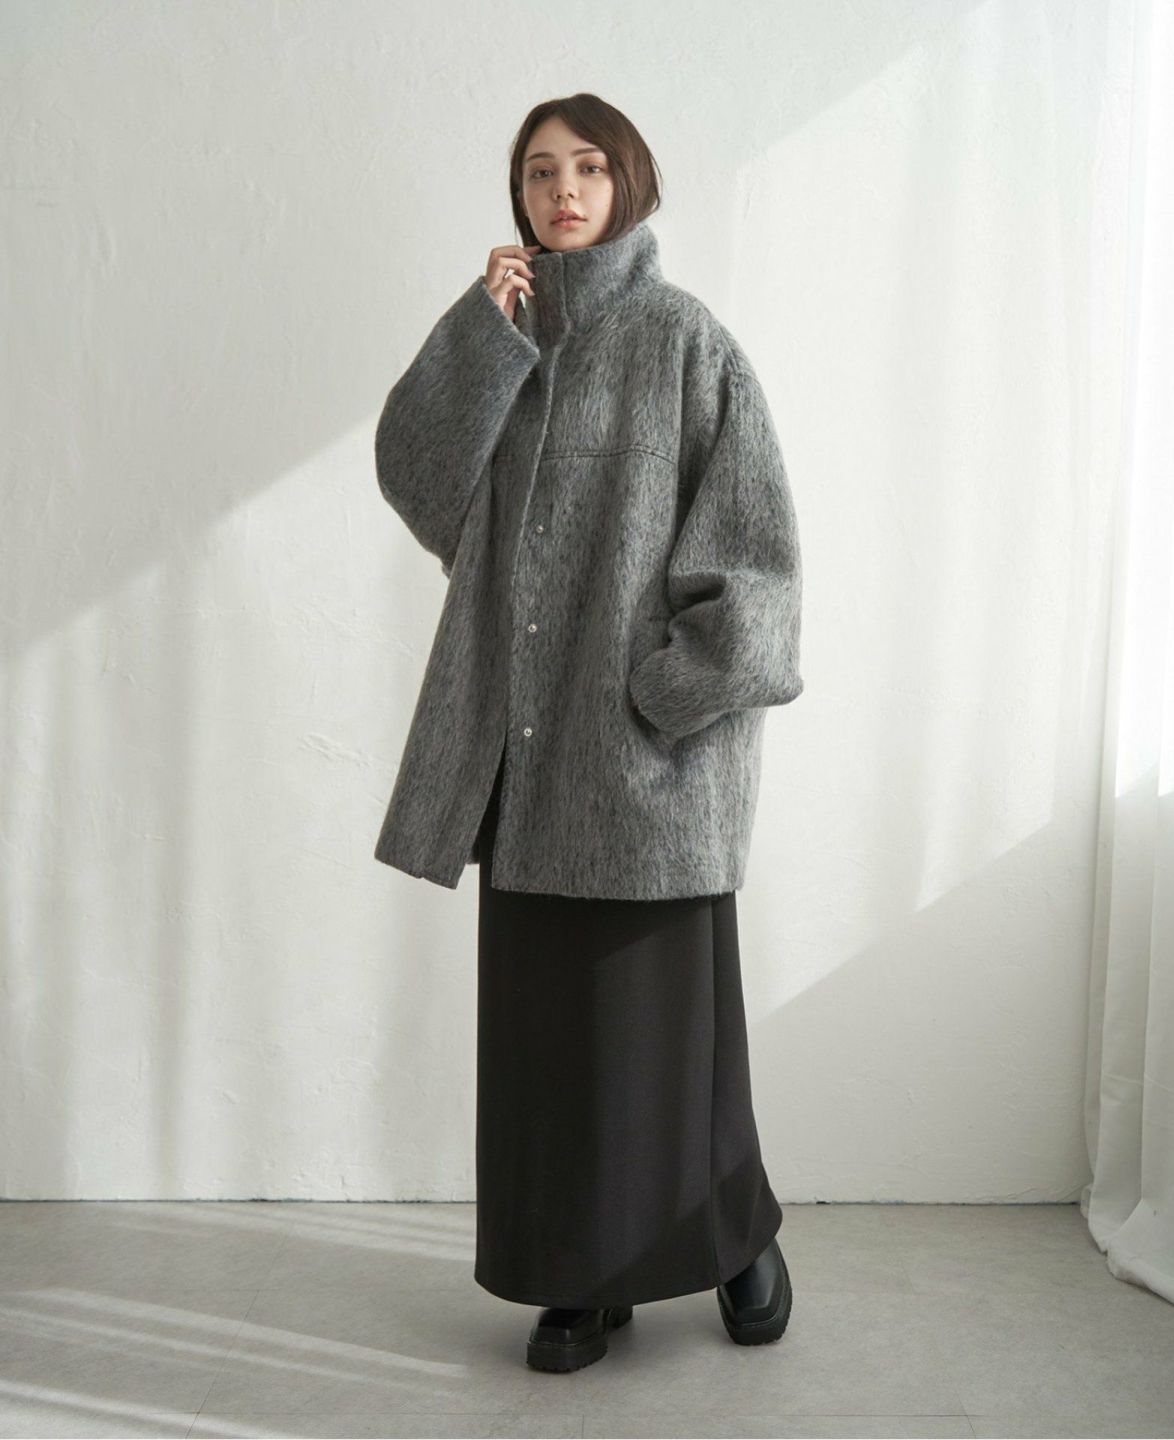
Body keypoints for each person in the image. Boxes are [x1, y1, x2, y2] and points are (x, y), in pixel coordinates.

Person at [372, 93, 802, 1372]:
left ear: (630, 184)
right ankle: (578, 1276)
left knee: (672, 1042)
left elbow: (757, 571)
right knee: (549, 1044)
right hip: (523, 758)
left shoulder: (686, 341)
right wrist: (478, 335)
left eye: (590, 168)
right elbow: (418, 483)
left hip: (648, 772)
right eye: (539, 172)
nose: (563, 190)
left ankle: (732, 1233)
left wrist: (658, 704)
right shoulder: (505, 347)